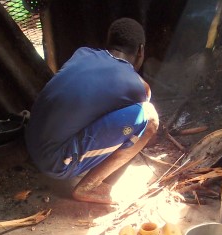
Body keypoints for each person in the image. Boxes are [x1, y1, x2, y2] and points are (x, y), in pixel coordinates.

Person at [25, 18, 159, 204]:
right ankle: (90, 188)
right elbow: (139, 112)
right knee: (150, 117)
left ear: (108, 42)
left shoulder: (82, 53)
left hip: (31, 144)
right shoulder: (137, 86)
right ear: (141, 51)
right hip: (55, 163)